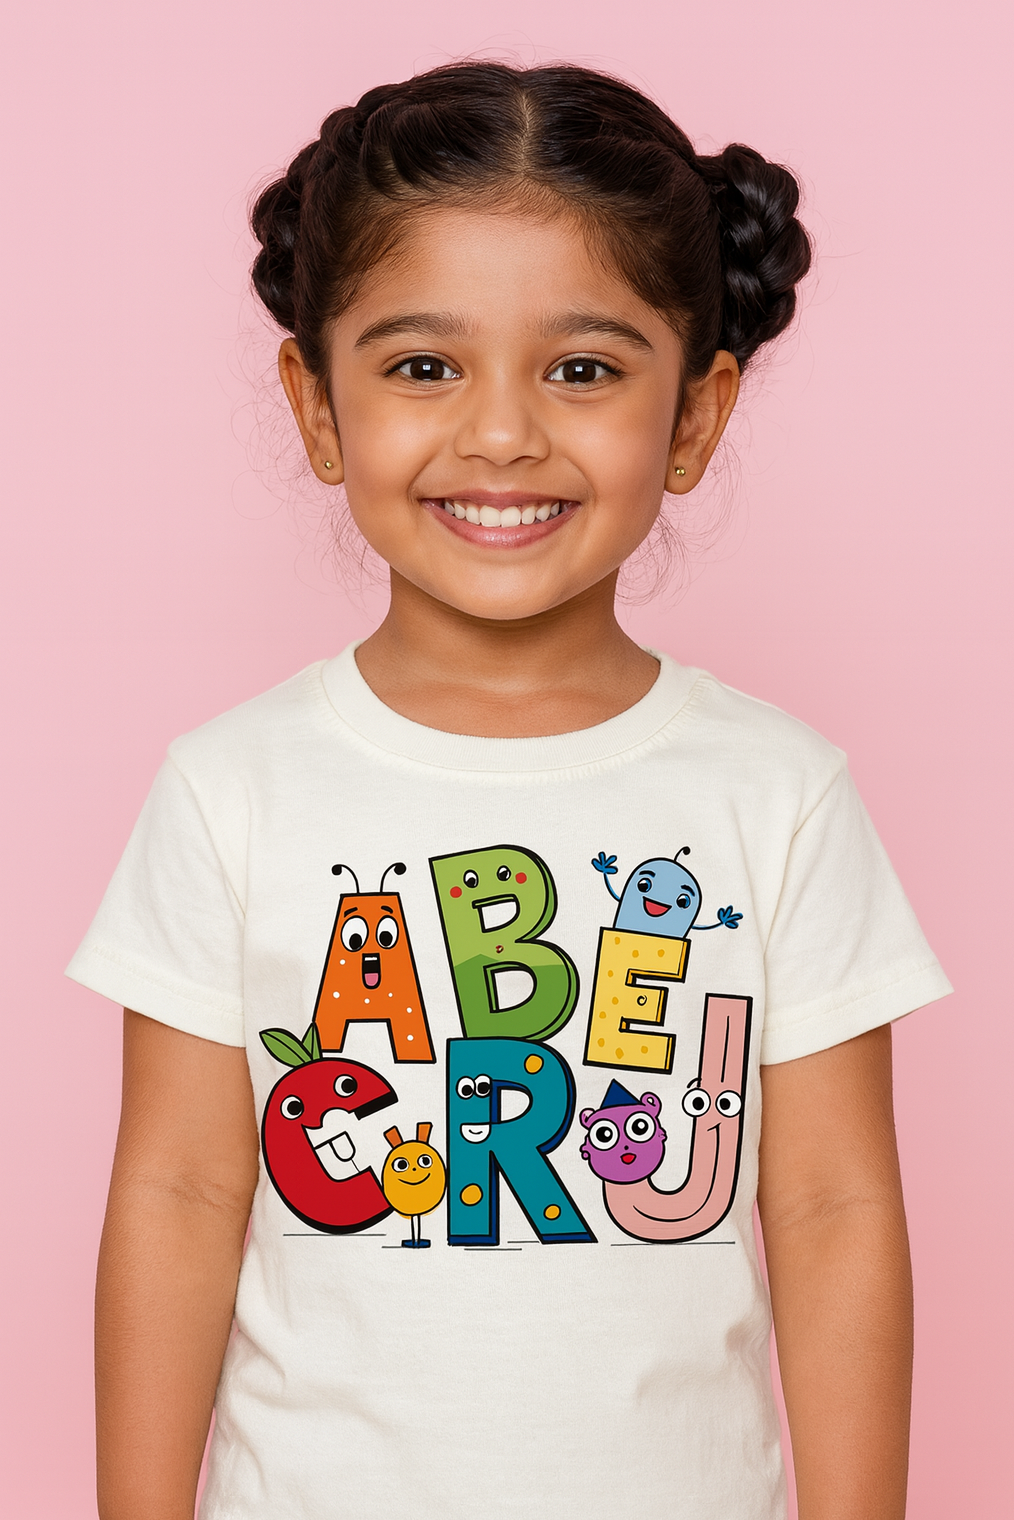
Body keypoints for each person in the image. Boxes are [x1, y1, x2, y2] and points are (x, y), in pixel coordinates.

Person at [68, 60, 951, 1520]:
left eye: (583, 369)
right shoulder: (229, 788)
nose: (500, 433)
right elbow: (175, 1198)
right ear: (317, 402)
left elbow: (830, 1207)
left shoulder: (779, 793)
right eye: (423, 366)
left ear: (693, 416)